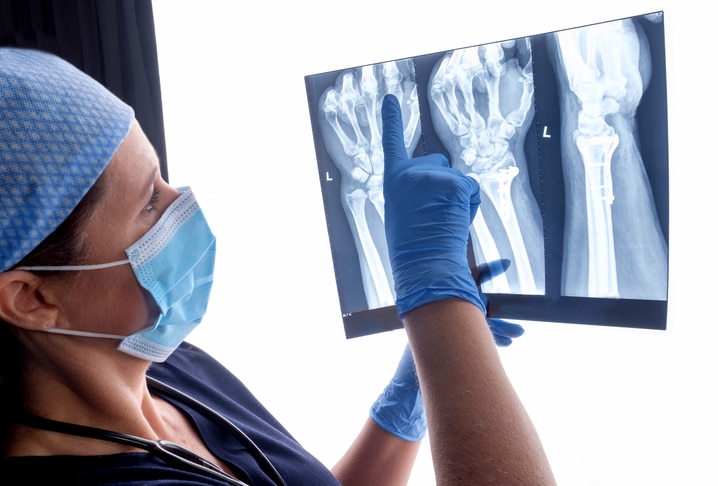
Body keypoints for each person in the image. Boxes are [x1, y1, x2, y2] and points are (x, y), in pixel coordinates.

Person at [0, 47, 554, 484]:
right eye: (148, 202)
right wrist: (439, 305)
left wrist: (402, 414)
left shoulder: (166, 368)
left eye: (163, 177)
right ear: (32, 298)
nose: (183, 205)